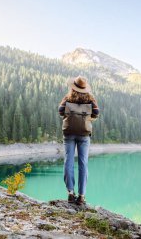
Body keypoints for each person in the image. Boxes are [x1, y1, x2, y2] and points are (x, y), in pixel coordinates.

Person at [58, 76, 99, 205]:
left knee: (68, 162)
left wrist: (69, 115)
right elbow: (96, 113)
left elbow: (60, 111)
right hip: (84, 134)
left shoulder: (68, 97)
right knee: (83, 163)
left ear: (73, 86)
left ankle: (70, 193)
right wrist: (87, 118)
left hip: (69, 133)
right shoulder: (90, 99)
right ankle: (81, 196)